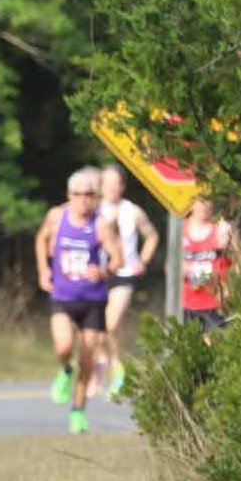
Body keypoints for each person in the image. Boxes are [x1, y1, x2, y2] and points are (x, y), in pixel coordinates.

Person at [35, 167, 124, 434]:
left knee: (87, 360)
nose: (83, 199)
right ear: (69, 195)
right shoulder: (56, 217)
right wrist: (43, 269)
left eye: (88, 195)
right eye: (77, 194)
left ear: (95, 197)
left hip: (93, 300)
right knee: (63, 347)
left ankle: (78, 411)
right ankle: (64, 370)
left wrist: (104, 270)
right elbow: (41, 240)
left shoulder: (100, 225)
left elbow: (118, 258)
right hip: (63, 296)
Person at [97, 165, 159, 397]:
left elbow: (152, 235)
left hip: (124, 275)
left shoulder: (132, 211)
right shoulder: (95, 210)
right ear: (101, 187)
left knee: (111, 324)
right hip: (100, 274)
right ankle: (105, 361)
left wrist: (142, 260)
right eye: (107, 184)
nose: (112, 189)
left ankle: (116, 368)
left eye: (116, 184)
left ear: (122, 186)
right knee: (99, 327)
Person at [181, 198, 234, 338]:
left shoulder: (223, 230)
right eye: (200, 201)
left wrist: (228, 244)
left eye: (207, 200)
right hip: (186, 304)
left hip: (216, 305)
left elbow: (239, 266)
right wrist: (205, 273)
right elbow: (172, 269)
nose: (204, 205)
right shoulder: (180, 230)